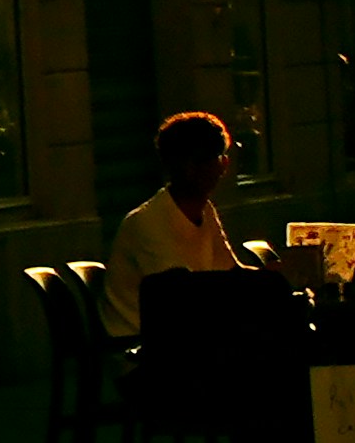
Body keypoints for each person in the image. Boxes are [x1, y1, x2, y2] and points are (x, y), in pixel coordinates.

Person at [100, 109, 248, 341]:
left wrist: (273, 278)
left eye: (200, 160)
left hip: (178, 339)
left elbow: (230, 271)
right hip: (143, 348)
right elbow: (179, 296)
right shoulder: (147, 222)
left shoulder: (204, 210)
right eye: (185, 161)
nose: (190, 170)